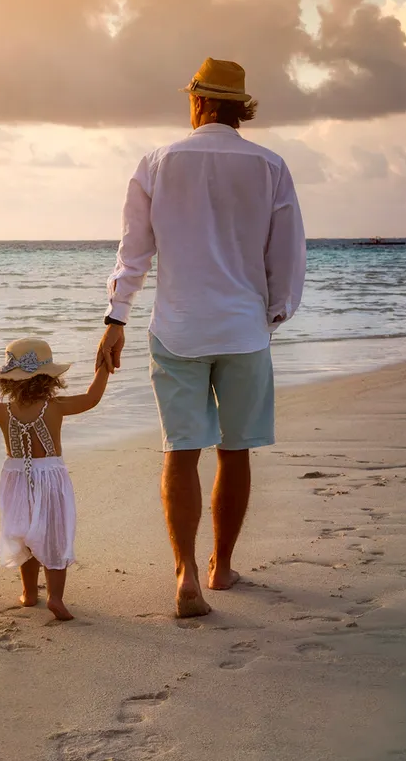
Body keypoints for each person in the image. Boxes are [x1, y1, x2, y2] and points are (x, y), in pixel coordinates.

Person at [96, 58, 306, 618]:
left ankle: (185, 570)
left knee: (180, 450)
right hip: (243, 328)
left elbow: (134, 251)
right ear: (239, 107)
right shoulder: (270, 166)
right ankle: (221, 565)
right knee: (234, 451)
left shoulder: (157, 163)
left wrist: (115, 319)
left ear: (199, 103)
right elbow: (285, 254)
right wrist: (274, 314)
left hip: (178, 327)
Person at [0, 338, 110, 623]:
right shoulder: (56, 407)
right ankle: (55, 597)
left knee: (24, 535)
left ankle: (28, 593)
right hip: (50, 477)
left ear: (8, 382)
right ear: (49, 378)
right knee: (54, 536)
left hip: (16, 480)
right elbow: (91, 398)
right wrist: (103, 368)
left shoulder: (3, 412)